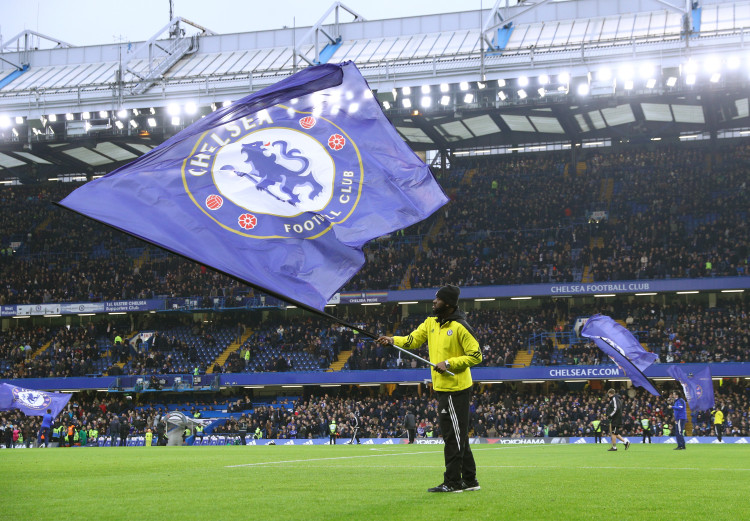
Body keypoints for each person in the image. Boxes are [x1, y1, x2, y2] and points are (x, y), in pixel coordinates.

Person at [377, 284, 482, 493]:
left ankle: (453, 482)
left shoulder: (461, 326)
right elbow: (412, 340)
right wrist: (392, 340)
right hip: (443, 389)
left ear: (448, 304)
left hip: (456, 389)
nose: (434, 301)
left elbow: (476, 355)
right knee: (458, 435)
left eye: (438, 299)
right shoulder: (430, 323)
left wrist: (449, 363)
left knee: (452, 437)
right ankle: (470, 480)